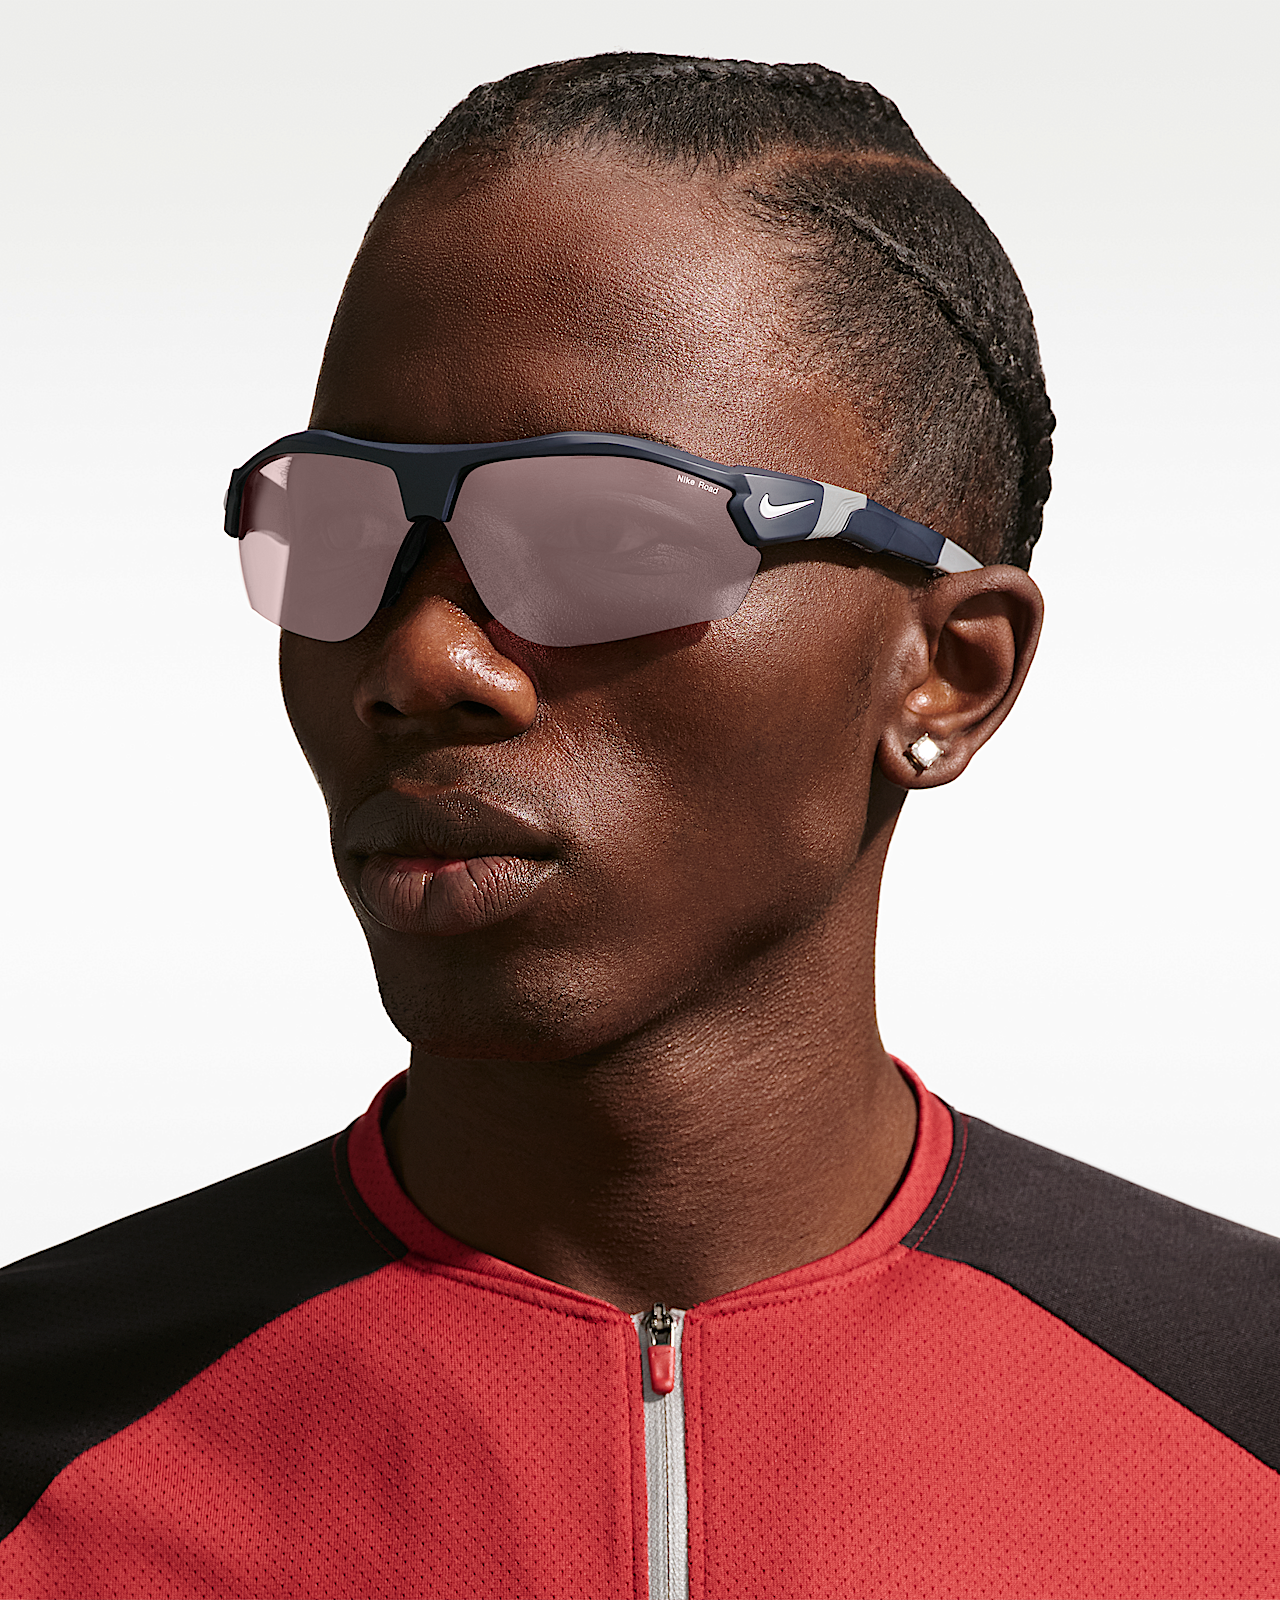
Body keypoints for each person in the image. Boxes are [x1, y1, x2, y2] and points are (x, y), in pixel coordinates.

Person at [2, 51, 1276, 1600]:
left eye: (602, 533)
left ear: (949, 672)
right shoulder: (39, 1446)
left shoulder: (1244, 1418)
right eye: (339, 527)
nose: (421, 661)